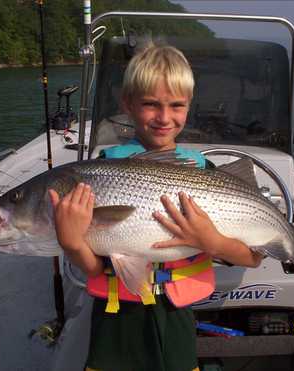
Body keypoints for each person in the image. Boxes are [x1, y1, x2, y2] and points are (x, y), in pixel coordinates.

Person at [48, 44, 263, 371]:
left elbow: (252, 257)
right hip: (114, 323)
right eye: (150, 104)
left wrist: (212, 242)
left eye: (176, 105)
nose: (164, 117)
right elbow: (94, 270)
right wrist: (72, 242)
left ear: (189, 107)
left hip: (176, 320)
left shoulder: (204, 172)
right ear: (127, 104)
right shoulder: (99, 173)